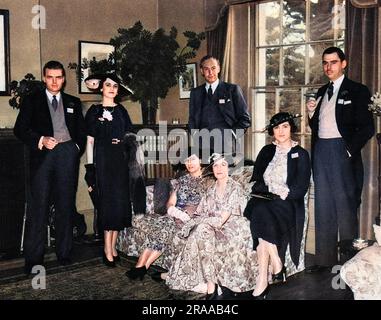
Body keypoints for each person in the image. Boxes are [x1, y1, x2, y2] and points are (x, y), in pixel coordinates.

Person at [306, 47, 375, 272]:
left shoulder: (357, 90)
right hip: (321, 151)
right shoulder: (321, 91)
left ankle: (348, 264)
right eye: (325, 63)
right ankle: (325, 261)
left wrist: (348, 151)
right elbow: (316, 126)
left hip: (341, 151)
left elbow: (367, 127)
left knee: (345, 207)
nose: (328, 67)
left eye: (333, 62)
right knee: (324, 206)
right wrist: (310, 114)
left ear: (343, 63)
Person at [14, 60, 86, 274]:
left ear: (63, 79)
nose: (54, 81)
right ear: (45, 78)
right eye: (50, 77)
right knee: (39, 207)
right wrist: (41, 139)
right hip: (43, 157)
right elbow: (20, 129)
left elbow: (81, 132)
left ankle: (64, 253)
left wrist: (75, 147)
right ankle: (34, 259)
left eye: (59, 77)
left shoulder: (73, 102)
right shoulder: (32, 100)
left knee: (65, 205)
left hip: (67, 155)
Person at [163, 153, 258, 300]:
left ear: (229, 168)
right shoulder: (211, 189)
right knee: (197, 230)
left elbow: (221, 220)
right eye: (215, 165)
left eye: (223, 165)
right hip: (211, 223)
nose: (219, 168)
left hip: (233, 226)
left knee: (200, 228)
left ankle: (209, 285)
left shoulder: (235, 188)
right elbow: (200, 213)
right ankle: (203, 281)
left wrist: (198, 222)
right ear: (212, 169)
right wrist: (190, 221)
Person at [243, 112, 311, 299]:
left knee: (259, 213)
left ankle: (263, 279)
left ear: (291, 129)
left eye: (285, 126)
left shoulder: (301, 154)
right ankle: (274, 264)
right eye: (276, 127)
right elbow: (257, 180)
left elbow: (301, 187)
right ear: (272, 131)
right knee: (260, 210)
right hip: (265, 199)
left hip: (287, 203)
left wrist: (283, 193)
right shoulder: (266, 151)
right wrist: (268, 189)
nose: (280, 131)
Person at [125, 150, 208, 280]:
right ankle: (143, 267)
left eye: (192, 159)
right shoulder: (183, 180)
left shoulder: (207, 181)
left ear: (201, 160)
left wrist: (185, 217)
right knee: (163, 230)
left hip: (189, 219)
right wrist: (174, 212)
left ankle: (140, 266)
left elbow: (206, 206)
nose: (189, 163)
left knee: (164, 229)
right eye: (187, 160)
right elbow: (170, 202)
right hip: (175, 215)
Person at [84, 73, 133, 267]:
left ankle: (113, 246)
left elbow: (129, 138)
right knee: (107, 205)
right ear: (101, 88)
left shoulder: (122, 111)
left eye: (115, 85)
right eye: (108, 85)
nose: (112, 88)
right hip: (103, 161)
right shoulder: (94, 111)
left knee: (119, 205)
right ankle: (106, 248)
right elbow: (89, 141)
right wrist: (90, 168)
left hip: (120, 162)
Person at [188, 55, 251, 159]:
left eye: (213, 68)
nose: (210, 72)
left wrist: (231, 135)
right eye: (206, 69)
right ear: (201, 71)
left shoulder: (232, 90)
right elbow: (192, 119)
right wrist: (196, 136)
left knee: (225, 174)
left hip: (226, 145)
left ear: (219, 68)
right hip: (202, 146)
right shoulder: (195, 93)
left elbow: (245, 119)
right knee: (204, 174)